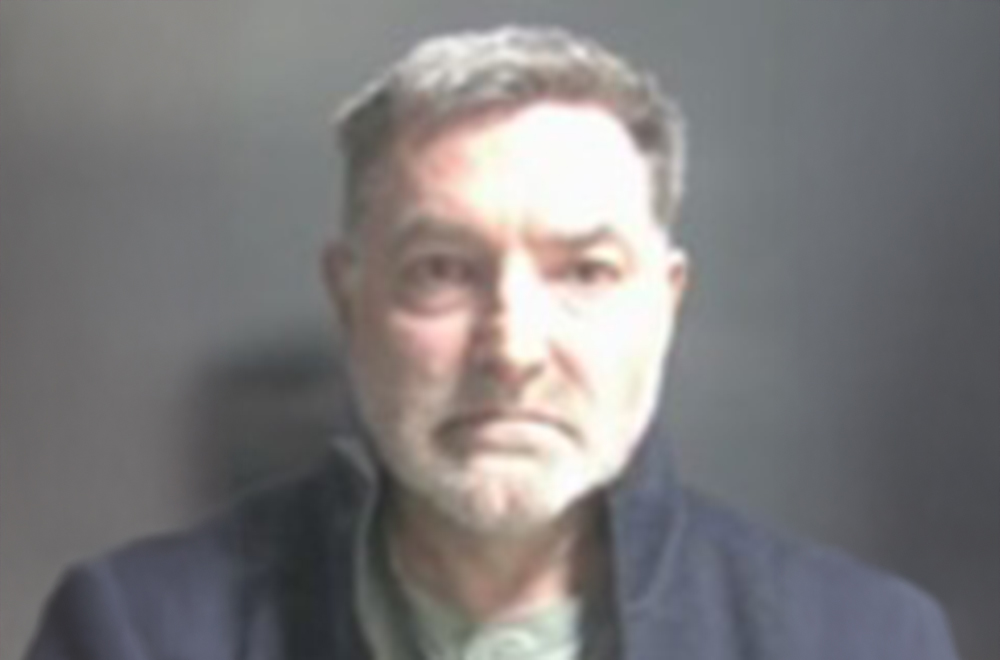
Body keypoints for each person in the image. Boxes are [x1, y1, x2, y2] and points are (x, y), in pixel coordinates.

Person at [26, 25, 959, 660]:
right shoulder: (134, 634)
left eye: (585, 271)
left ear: (665, 304)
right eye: (442, 270)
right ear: (349, 299)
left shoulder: (863, 642)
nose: (512, 348)